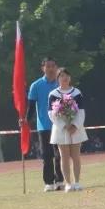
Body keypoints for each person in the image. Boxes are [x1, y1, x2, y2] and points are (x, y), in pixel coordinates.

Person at [22, 57, 64, 191]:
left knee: (59, 155)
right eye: (48, 66)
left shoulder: (61, 83)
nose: (51, 69)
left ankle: (60, 180)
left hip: (60, 125)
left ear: (56, 67)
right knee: (46, 155)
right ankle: (48, 182)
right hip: (44, 126)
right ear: (43, 68)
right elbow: (31, 107)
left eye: (53, 66)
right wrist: (26, 121)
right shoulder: (36, 85)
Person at [48, 68, 87, 192]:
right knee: (64, 157)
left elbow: (81, 111)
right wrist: (64, 126)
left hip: (76, 129)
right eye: (61, 76)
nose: (64, 78)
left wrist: (75, 125)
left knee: (76, 156)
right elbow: (51, 113)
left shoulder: (77, 92)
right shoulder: (53, 94)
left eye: (66, 75)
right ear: (57, 78)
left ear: (70, 78)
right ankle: (68, 183)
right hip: (61, 129)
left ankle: (77, 182)